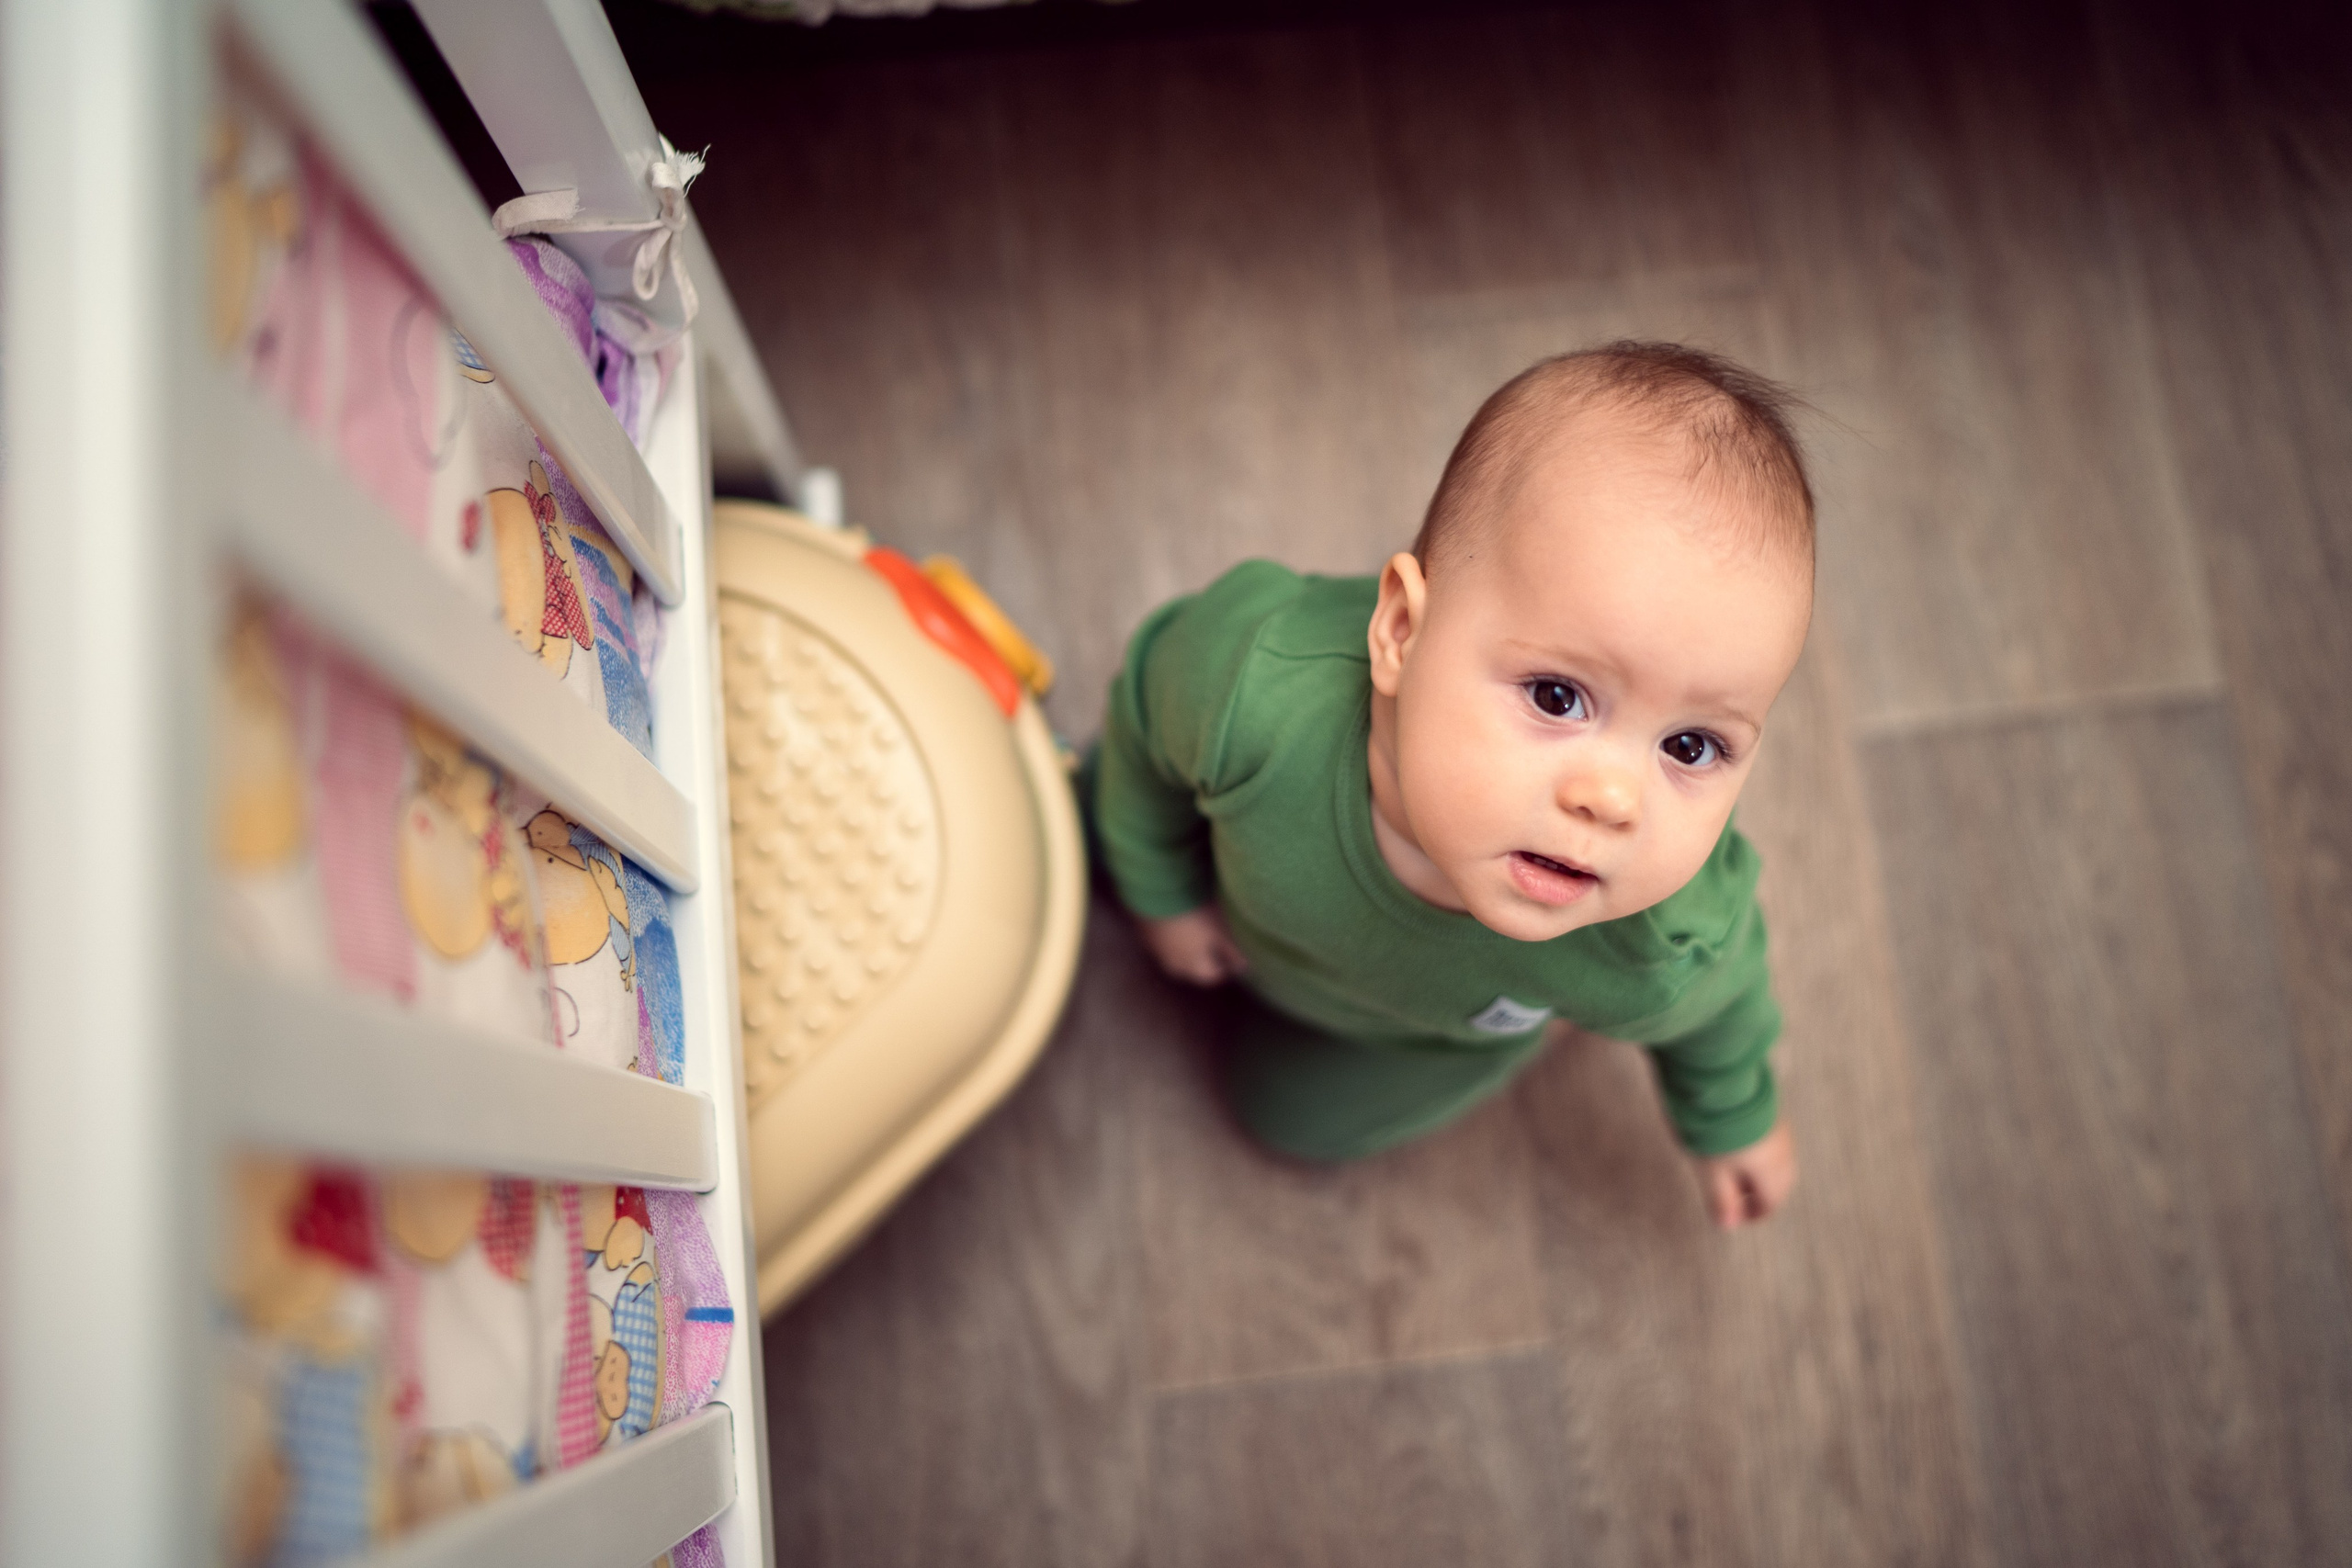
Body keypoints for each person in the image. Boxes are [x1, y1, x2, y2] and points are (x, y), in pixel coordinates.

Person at [1088, 341, 1814, 1228]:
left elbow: (1722, 1011)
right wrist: (1162, 891)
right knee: (1088, 814)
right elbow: (1143, 710)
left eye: (1693, 747)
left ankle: (1533, 1034)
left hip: (1412, 1030)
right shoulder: (1257, 687)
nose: (1615, 798)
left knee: (1283, 1111)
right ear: (1397, 630)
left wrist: (1734, 1120)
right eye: (1558, 696)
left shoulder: (1656, 946)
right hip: (1239, 890)